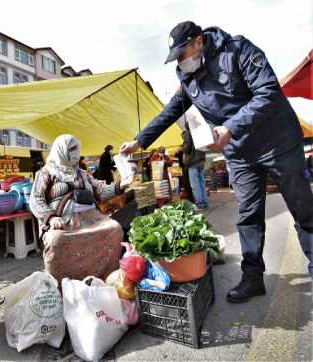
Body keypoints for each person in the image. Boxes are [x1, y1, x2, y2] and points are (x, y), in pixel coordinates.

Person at [120, 21, 313, 302]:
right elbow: (171, 112)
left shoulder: (238, 51)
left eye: (181, 54)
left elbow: (268, 91)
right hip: (239, 152)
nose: (180, 62)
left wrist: (231, 127)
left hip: (277, 142)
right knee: (248, 214)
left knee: (302, 208)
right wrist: (140, 140)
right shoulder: (186, 77)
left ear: (199, 42)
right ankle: (252, 278)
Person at [29, 135, 132, 284]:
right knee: (56, 239)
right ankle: (61, 285)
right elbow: (36, 199)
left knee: (115, 229)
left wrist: (120, 185)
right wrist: (51, 218)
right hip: (63, 220)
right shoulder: (46, 173)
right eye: (71, 149)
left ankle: (105, 279)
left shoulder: (82, 173)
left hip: (91, 218)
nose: (76, 153)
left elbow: (100, 191)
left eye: (77, 149)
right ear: (60, 150)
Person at [183, 125, 208, 208]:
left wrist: (182, 148)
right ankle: (204, 202)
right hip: (201, 159)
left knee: (195, 184)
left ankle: (200, 203)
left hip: (193, 161)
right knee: (201, 182)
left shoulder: (188, 132)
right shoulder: (200, 132)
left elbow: (187, 147)